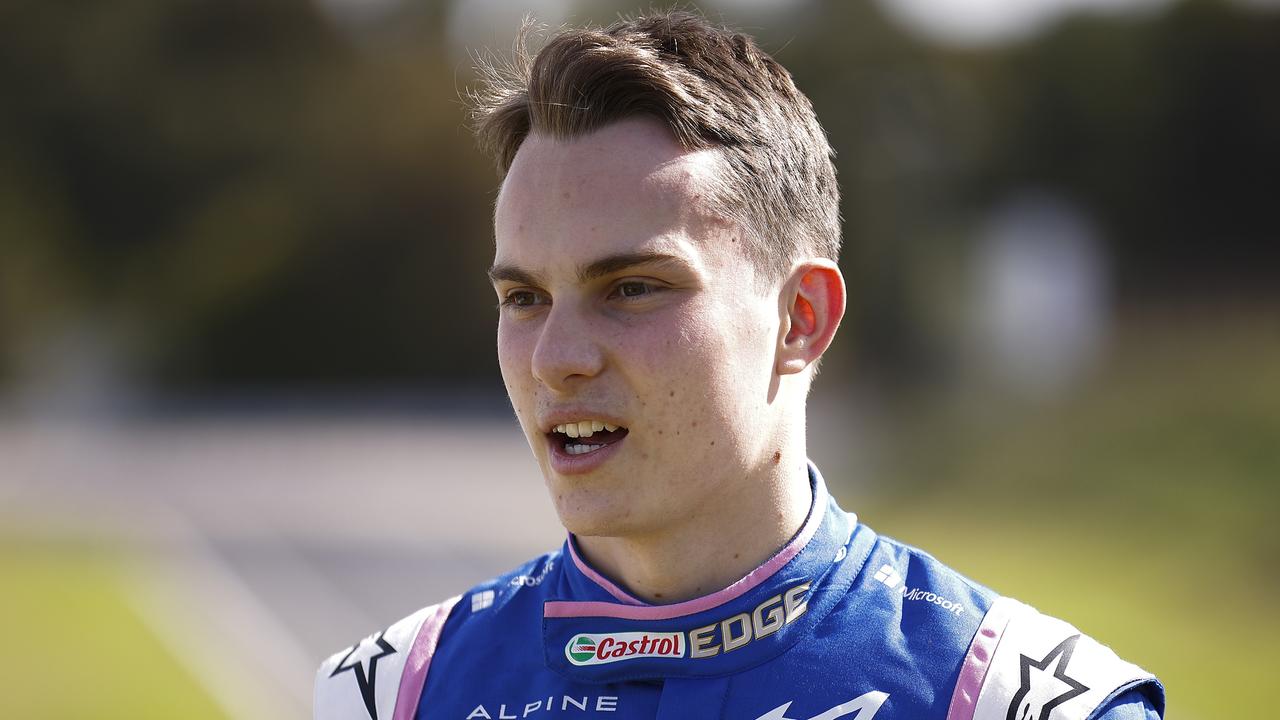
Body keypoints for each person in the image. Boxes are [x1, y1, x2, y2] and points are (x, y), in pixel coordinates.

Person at [315, 11, 1165, 720]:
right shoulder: (390, 695)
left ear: (801, 318)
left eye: (634, 287)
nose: (557, 359)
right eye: (525, 298)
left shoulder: (1023, 701)